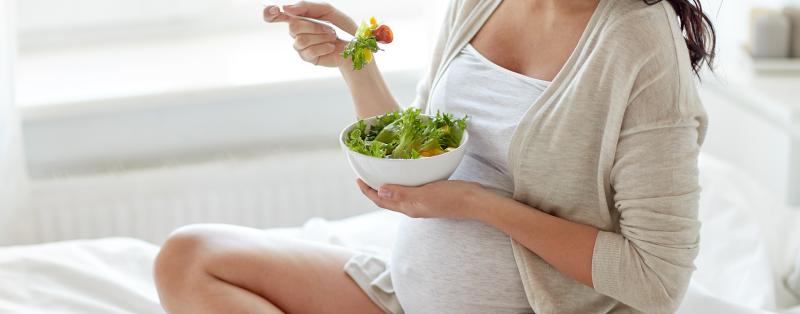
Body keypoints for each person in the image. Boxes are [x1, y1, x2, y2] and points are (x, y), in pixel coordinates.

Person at [154, 0, 715, 313]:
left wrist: (480, 205)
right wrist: (357, 61)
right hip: (407, 297)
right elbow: (429, 146)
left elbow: (657, 280)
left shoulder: (639, 42)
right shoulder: (480, 2)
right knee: (190, 257)